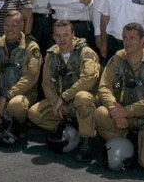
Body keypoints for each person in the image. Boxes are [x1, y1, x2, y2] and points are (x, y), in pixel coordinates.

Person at [94, 23, 144, 172]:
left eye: (132, 38)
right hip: (124, 118)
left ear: (142, 40)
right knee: (101, 114)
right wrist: (115, 109)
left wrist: (127, 111)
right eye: (125, 37)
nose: (127, 42)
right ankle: (128, 142)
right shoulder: (117, 59)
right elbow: (104, 87)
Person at [28, 20, 100, 161]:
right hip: (63, 103)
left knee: (82, 97)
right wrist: (56, 102)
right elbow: (46, 84)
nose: (62, 39)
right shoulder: (51, 55)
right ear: (53, 36)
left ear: (73, 34)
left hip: (85, 102)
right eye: (58, 35)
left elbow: (89, 79)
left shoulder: (86, 53)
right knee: (34, 114)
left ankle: (87, 140)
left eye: (66, 35)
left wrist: (64, 97)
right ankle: (72, 128)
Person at [0, 10, 42, 140]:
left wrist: (7, 95)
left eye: (14, 26)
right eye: (6, 25)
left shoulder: (31, 47)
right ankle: (2, 121)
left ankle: (19, 125)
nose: (9, 29)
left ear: (22, 26)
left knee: (16, 106)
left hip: (20, 95)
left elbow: (30, 78)